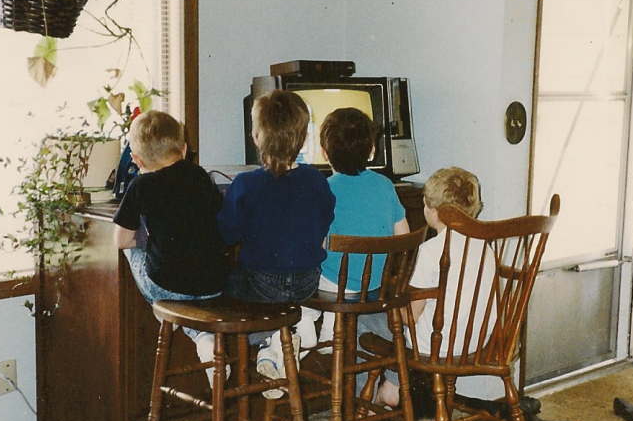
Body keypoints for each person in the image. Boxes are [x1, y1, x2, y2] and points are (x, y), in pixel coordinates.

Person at [217, 89, 336, 395]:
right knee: (278, 289)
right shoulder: (317, 181)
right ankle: (284, 336)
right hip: (307, 281)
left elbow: (227, 234)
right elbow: (323, 222)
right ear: (304, 138)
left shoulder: (246, 184)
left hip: (262, 283)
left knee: (226, 285)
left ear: (256, 137)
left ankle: (268, 343)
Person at [112, 110, 231, 382]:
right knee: (186, 281)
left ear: (137, 159)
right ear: (184, 148)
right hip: (214, 284)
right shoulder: (201, 176)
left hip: (168, 286)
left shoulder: (141, 185)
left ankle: (165, 312)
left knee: (132, 247)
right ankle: (202, 338)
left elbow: (121, 241)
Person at [363, 166, 494, 408]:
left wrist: (391, 303)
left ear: (434, 213)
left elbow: (410, 316)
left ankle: (378, 394)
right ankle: (392, 385)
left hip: (437, 346)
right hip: (475, 343)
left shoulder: (432, 249)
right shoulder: (484, 245)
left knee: (363, 319)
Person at [300, 107, 410, 354]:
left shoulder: (323, 188)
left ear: (325, 154)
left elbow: (311, 243)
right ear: (372, 151)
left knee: (301, 271)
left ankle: (310, 319)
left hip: (333, 287)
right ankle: (332, 328)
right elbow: (403, 236)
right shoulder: (385, 185)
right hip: (373, 287)